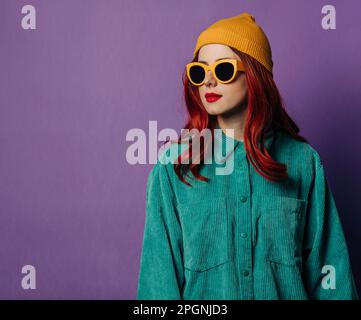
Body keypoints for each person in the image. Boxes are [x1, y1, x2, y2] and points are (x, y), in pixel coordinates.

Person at [137, 12, 359, 299]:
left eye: (224, 70)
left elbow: (332, 276)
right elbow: (158, 286)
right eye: (199, 72)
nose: (209, 83)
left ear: (255, 74)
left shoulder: (304, 163)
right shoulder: (173, 169)